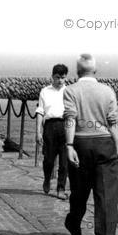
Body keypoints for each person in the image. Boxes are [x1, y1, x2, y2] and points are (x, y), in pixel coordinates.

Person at [63, 54, 118, 235]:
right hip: (105, 143)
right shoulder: (107, 91)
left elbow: (70, 119)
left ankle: (74, 221)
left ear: (77, 71)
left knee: (79, 190)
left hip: (80, 142)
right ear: (95, 71)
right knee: (107, 190)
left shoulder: (70, 91)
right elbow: (113, 123)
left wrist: (69, 145)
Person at [36, 64, 69, 199]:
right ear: (52, 77)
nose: (60, 80)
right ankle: (47, 178)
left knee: (64, 161)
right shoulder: (45, 91)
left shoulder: (69, 92)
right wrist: (38, 132)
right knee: (48, 159)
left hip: (65, 126)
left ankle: (60, 189)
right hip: (49, 126)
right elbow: (40, 112)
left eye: (62, 78)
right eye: (57, 77)